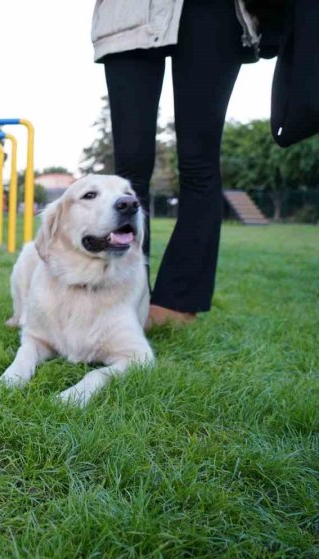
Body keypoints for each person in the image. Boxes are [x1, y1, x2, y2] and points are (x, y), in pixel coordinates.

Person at [91, 0, 261, 326]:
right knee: (130, 168)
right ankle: (125, 293)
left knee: (199, 163)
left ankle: (178, 302)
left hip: (215, 10)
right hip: (129, 13)